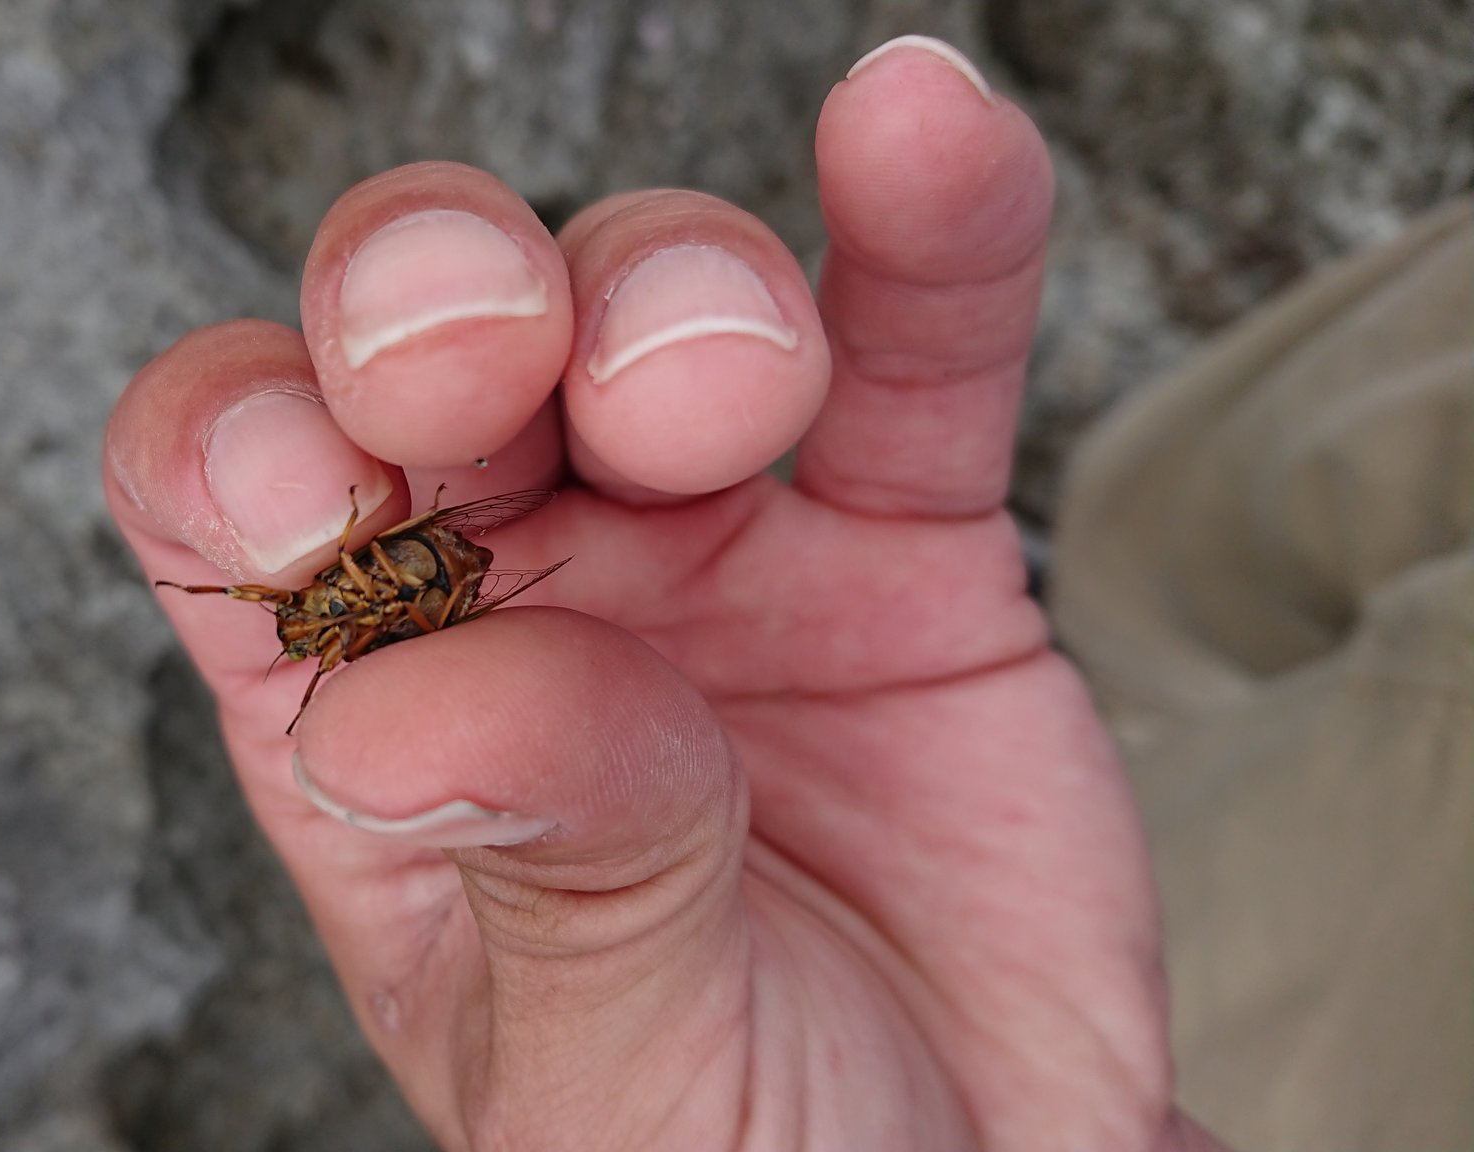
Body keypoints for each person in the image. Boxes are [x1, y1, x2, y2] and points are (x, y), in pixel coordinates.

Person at [104, 35, 1230, 1150]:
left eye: (297, 620)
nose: (297, 623)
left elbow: (365, 555)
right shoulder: (338, 626)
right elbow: (372, 593)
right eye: (298, 626)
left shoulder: (339, 595)